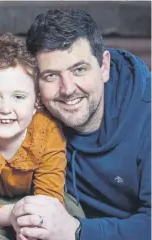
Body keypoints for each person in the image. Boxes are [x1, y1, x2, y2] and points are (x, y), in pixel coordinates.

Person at [11, 8, 151, 240]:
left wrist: (77, 231)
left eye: (79, 69)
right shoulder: (31, 106)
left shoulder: (146, 113)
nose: (67, 89)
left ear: (103, 66)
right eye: (51, 76)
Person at [0, 32, 67, 239]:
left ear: (37, 103)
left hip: (36, 200)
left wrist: (33, 223)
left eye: (18, 97)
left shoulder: (47, 132)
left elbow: (50, 198)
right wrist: (12, 215)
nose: (6, 108)